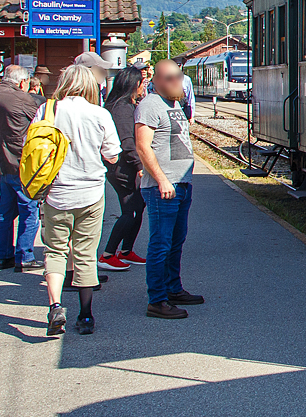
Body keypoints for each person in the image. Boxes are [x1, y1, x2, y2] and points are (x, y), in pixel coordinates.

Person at [36, 65, 120, 337]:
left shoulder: (47, 111)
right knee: (85, 253)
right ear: (89, 85)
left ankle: (55, 306)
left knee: (56, 251)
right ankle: (86, 316)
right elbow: (112, 155)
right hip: (91, 192)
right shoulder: (99, 114)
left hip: (56, 191)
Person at [136, 59, 202, 319]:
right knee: (161, 244)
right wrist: (162, 179)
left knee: (176, 242)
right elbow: (143, 146)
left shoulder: (175, 104)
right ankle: (157, 300)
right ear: (156, 81)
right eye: (169, 78)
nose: (177, 82)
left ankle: (173, 288)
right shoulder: (150, 105)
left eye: (178, 77)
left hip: (182, 184)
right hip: (163, 187)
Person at [0, 65, 46, 272]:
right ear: (22, 83)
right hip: (22, 161)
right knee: (29, 211)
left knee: (5, 212)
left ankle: (3, 256)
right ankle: (25, 256)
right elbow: (42, 113)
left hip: (3, 161)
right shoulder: (20, 98)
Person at [99, 65, 147, 271]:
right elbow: (127, 141)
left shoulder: (119, 105)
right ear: (134, 85)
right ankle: (108, 254)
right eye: (142, 83)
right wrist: (139, 165)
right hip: (123, 168)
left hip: (122, 166)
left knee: (138, 207)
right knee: (131, 211)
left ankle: (126, 251)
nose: (144, 86)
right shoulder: (122, 109)